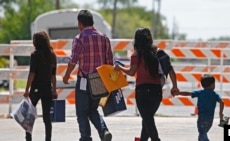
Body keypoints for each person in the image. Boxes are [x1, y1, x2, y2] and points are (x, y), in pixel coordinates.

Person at [114, 27, 179, 141]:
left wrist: (120, 68)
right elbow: (170, 70)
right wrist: (175, 86)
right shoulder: (159, 52)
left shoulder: (136, 55)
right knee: (147, 120)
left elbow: (131, 72)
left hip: (142, 91)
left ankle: (156, 139)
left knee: (148, 119)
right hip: (156, 92)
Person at [62, 10, 113, 141]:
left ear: (80, 23)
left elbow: (73, 61)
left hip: (84, 80)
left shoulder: (79, 39)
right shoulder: (104, 38)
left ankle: (85, 137)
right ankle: (104, 131)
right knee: (93, 110)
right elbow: (110, 62)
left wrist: (66, 76)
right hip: (99, 81)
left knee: (82, 112)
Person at [23, 30, 58, 141]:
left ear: (36, 42)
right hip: (47, 88)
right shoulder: (52, 55)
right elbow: (53, 75)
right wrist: (54, 90)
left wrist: (27, 89)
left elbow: (32, 73)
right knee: (47, 117)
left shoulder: (35, 55)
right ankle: (48, 139)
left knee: (29, 115)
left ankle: (28, 138)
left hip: (36, 88)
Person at [174, 74, 225, 141]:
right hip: (210, 119)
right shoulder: (215, 94)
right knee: (203, 134)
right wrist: (220, 114)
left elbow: (188, 93)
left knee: (202, 133)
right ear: (213, 84)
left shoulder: (200, 93)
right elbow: (222, 102)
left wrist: (179, 93)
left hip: (201, 118)